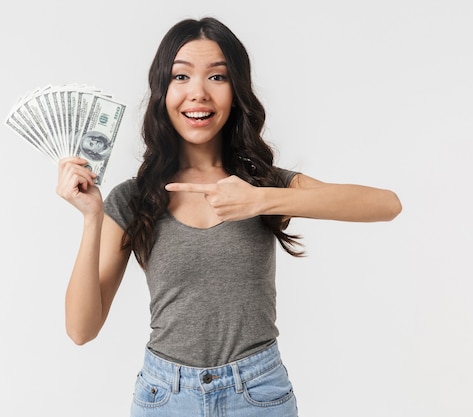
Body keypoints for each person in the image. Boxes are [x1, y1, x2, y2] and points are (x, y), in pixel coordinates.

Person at [55, 17, 401, 417]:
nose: (198, 93)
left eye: (217, 77)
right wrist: (91, 217)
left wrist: (260, 201)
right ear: (162, 93)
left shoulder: (263, 186)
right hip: (165, 397)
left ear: (236, 91)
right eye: (180, 76)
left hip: (258, 394)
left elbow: (386, 205)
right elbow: (81, 330)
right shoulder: (133, 199)